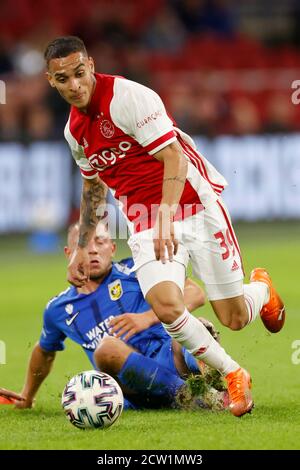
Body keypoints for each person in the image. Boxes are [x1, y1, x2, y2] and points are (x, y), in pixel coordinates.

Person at [44, 36, 286, 417]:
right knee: (167, 305)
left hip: (194, 204)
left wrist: (164, 216)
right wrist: (80, 247)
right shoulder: (74, 133)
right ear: (50, 80)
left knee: (234, 317)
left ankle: (262, 290)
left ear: (90, 65)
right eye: (63, 79)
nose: (74, 85)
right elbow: (93, 188)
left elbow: (174, 157)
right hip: (143, 220)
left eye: (78, 73)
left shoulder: (127, 97)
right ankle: (234, 373)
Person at [17, 222, 228, 411]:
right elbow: (44, 352)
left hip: (171, 358)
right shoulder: (58, 309)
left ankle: (210, 379)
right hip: (133, 390)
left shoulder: (136, 270)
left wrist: (147, 317)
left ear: (112, 248)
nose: (92, 250)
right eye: (83, 244)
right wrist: (26, 396)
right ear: (69, 253)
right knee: (107, 348)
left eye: (100, 242)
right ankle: (192, 396)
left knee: (198, 327)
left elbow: (196, 294)